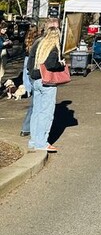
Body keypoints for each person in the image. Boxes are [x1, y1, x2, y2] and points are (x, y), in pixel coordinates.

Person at [27, 20, 66, 151]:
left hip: (36, 79)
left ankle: (34, 140)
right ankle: (42, 142)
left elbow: (29, 61)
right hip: (47, 82)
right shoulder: (54, 47)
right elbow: (50, 64)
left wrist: (32, 74)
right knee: (46, 113)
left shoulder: (38, 43)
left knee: (36, 112)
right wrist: (61, 65)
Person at [20, 24, 40, 137]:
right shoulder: (38, 43)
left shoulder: (26, 42)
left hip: (27, 66)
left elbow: (25, 69)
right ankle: (28, 127)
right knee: (35, 104)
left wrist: (26, 84)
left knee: (34, 103)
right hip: (34, 69)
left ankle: (27, 128)